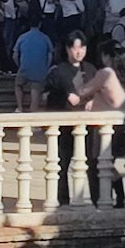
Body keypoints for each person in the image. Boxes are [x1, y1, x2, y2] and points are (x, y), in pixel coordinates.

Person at [70, 39, 125, 206]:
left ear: (105, 56)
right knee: (107, 163)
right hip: (120, 124)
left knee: (95, 163)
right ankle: (119, 197)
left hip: (103, 126)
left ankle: (101, 199)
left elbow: (83, 91)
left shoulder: (106, 73)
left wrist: (77, 82)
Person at [45, 31, 95, 203]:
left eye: (82, 47)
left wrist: (93, 101)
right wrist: (64, 96)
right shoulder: (59, 71)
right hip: (65, 125)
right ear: (68, 49)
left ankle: (95, 197)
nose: (79, 52)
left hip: (88, 125)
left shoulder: (90, 69)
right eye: (75, 48)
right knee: (63, 163)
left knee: (92, 162)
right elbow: (48, 96)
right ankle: (62, 198)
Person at [13, 17, 54, 111]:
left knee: (18, 85)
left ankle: (20, 107)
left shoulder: (22, 37)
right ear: (40, 24)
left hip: (24, 67)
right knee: (35, 89)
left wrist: (19, 65)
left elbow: (15, 55)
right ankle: (33, 110)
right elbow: (50, 55)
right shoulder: (45, 37)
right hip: (40, 70)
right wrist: (46, 67)